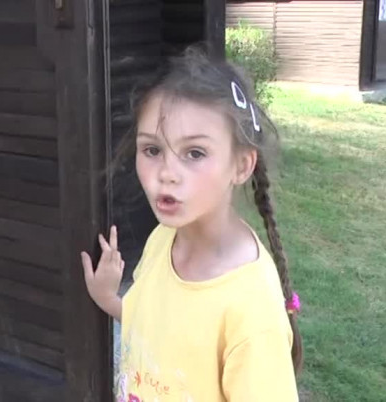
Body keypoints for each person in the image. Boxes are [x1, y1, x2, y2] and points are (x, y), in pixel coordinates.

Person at [81, 47, 303, 401]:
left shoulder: (252, 310)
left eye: (195, 153)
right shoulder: (163, 240)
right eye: (152, 150)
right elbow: (158, 334)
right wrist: (109, 298)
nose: (166, 174)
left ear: (241, 166)